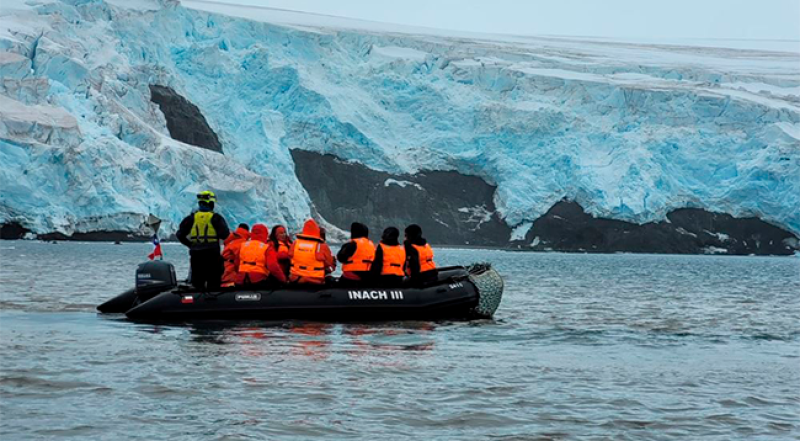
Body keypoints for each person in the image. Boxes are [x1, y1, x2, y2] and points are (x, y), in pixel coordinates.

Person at [176, 191, 230, 291]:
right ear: (211, 204)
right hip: (212, 255)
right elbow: (225, 234)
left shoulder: (191, 218)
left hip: (196, 255)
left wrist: (190, 245)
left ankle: (197, 298)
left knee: (197, 282)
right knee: (214, 282)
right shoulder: (216, 218)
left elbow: (179, 234)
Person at [289, 219, 335, 285]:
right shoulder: (322, 246)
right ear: (316, 231)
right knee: (331, 263)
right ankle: (328, 277)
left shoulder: (295, 243)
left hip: (296, 279)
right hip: (315, 280)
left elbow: (289, 256)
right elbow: (329, 262)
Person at [221, 223, 249, 288]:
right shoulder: (242, 242)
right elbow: (238, 259)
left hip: (223, 267)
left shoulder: (231, 239)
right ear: (247, 232)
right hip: (230, 270)